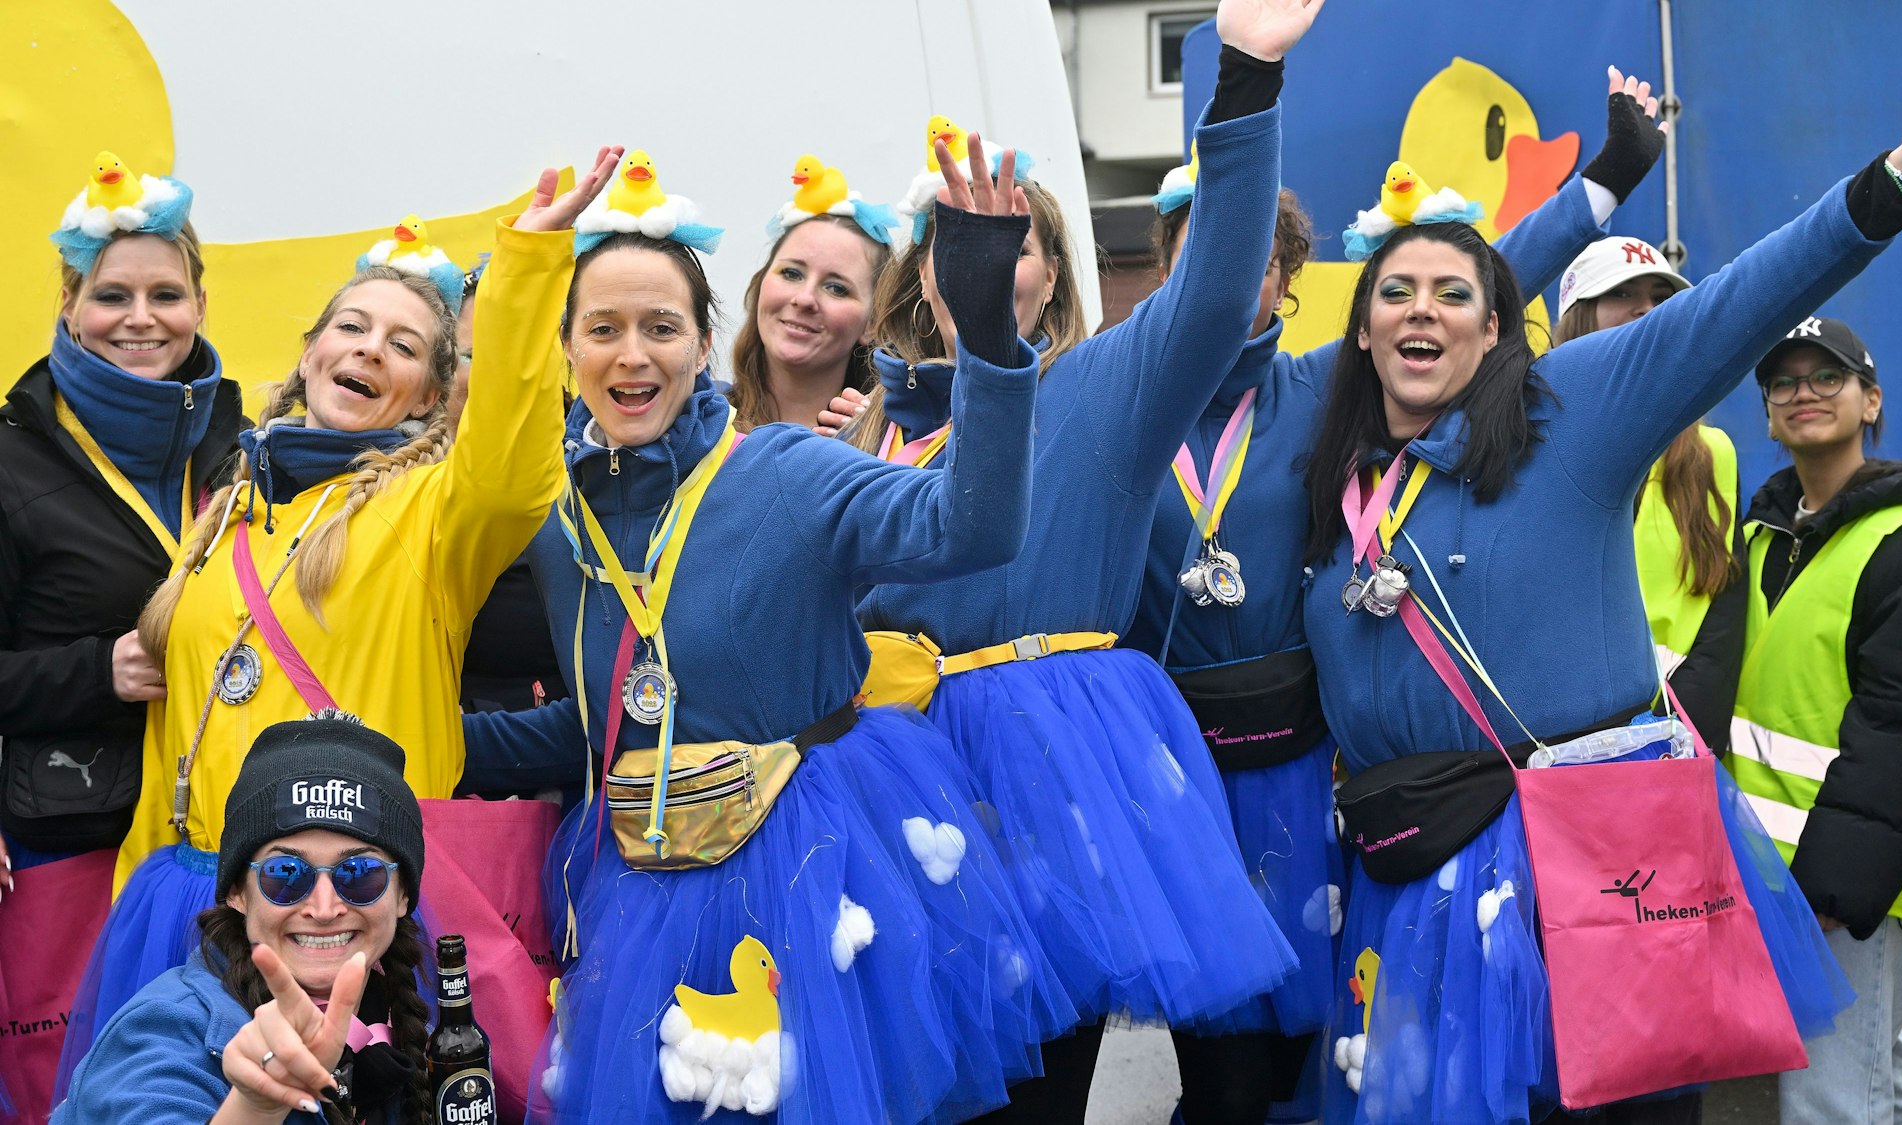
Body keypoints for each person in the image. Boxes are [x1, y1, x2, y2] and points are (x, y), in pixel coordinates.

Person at [1300, 78, 1902, 1125]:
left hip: (1599, 868)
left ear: (1498, 329)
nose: (1421, 311)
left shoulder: (1566, 413)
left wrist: (1899, 178)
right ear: (1357, 333)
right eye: (1394, 293)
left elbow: (1739, 303)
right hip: (1411, 883)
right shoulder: (1322, 482)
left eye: (1452, 292)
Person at [460, 142, 1072, 1123]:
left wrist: (991, 345)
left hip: (813, 870)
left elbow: (973, 527)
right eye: (602, 328)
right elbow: (611, 725)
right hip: (640, 882)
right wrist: (424, 738)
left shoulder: (787, 470)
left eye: (660, 326)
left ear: (702, 344)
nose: (631, 355)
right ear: (564, 348)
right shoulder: (553, 511)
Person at [1127, 70, 1660, 1125]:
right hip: (1178, 781)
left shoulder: (1325, 386)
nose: (1226, 274)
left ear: (1284, 285)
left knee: (1339, 1041)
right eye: (1202, 252)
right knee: (1216, 1072)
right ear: (1162, 271)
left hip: (1307, 780)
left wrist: (1607, 178)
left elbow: (1477, 287)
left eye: (1254, 257)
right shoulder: (1116, 400)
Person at [850, 5, 1328, 1119]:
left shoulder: (1104, 387)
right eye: (949, 238)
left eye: (1010, 236)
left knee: (1035, 1099)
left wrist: (1246, 78)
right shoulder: (875, 432)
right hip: (901, 778)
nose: (976, 256)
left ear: (1055, 281)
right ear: (916, 273)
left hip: (1050, 766)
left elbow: (1213, 289)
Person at [54, 148, 623, 1082]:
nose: (367, 349)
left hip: (348, 906)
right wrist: (142, 884)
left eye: (403, 345)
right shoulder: (231, 506)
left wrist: (525, 269)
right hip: (190, 896)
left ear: (434, 395)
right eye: (350, 327)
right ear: (311, 350)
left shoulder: (436, 516)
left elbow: (516, 469)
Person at [1730, 317, 1902, 1125]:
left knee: (1834, 1101)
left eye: (1827, 377)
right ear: (1768, 412)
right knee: (1878, 1079)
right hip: (1799, 872)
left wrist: (1835, 889)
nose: (1804, 393)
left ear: (1871, 401)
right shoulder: (1764, 538)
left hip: (1860, 881)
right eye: (1785, 382)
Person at [1, 159, 240, 869]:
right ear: (71, 305)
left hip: (232, 838)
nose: (141, 318)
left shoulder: (245, 445)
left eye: (165, 294)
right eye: (112, 296)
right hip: (74, 844)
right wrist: (99, 670)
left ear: (199, 304)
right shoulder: (12, 461)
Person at [53, 715, 431, 1124]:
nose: (324, 909)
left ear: (403, 895)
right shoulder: (162, 1032)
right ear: (236, 892)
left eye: (359, 874)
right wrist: (255, 1107)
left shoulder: (405, 1007)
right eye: (286, 874)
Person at [1552, 235, 1744, 749]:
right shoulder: (1526, 441)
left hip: (1671, 743)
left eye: (1662, 296)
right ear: (1578, 316)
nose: (1648, 310)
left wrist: (1675, 744)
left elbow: (1722, 622)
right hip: (1550, 744)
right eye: (1622, 294)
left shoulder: (1711, 452)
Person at [446, 258, 569, 721]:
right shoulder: (396, 481)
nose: (499, 378)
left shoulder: (594, 477)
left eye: (517, 357)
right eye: (475, 356)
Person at [727, 168, 896, 429]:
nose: (805, 299)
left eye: (837, 288)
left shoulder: (897, 447)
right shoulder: (699, 425)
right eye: (791, 273)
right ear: (760, 283)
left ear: (872, 323)